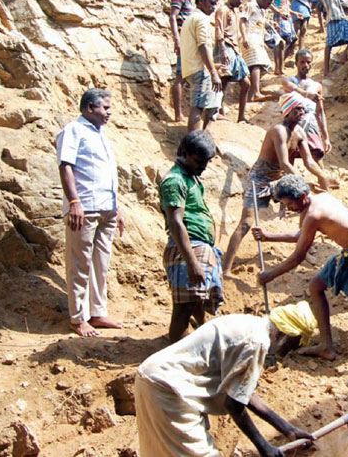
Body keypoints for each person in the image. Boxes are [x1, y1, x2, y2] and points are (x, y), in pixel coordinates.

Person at [135, 305, 316, 457]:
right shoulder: (257, 342)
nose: (286, 353)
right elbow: (234, 404)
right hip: (168, 389)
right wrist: (264, 447)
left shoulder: (249, 324)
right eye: (291, 345)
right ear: (280, 335)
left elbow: (244, 393)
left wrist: (287, 429)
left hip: (150, 377)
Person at [254, 175, 348, 360]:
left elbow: (298, 257)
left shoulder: (314, 214)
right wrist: (268, 237)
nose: (289, 209)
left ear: (303, 198)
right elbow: (301, 234)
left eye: (290, 205)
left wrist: (269, 275)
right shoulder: (320, 197)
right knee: (316, 286)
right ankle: (326, 346)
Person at [222, 97, 338, 276]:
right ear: (288, 111)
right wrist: (302, 183)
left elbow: (308, 161)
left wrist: (324, 176)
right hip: (260, 178)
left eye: (303, 109)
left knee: (304, 207)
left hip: (280, 178)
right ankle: (226, 268)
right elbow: (284, 162)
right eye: (297, 110)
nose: (301, 113)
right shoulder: (279, 131)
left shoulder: (299, 132)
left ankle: (302, 249)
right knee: (246, 223)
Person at [56, 89, 124, 337]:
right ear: (88, 108)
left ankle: (97, 312)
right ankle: (77, 318)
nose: (109, 112)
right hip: (84, 208)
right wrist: (74, 201)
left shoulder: (102, 135)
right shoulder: (73, 130)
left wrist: (117, 207)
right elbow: (66, 167)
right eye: (104, 108)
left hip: (107, 208)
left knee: (100, 263)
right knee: (79, 262)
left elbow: (106, 173)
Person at [159, 131, 222, 343]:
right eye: (198, 161)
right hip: (187, 249)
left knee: (196, 298)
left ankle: (202, 333)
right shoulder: (174, 181)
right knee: (183, 308)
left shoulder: (190, 176)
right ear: (184, 153)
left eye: (207, 161)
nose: (203, 166)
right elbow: (176, 223)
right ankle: (175, 350)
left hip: (198, 246)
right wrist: (192, 262)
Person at [181, 0, 222, 132]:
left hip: (190, 67)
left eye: (215, 5)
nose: (213, 8)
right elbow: (203, 46)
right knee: (197, 108)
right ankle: (193, 147)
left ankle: (199, 139)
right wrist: (213, 72)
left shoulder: (190, 19)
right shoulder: (201, 19)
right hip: (199, 69)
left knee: (199, 104)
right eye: (211, 3)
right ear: (200, 1)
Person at [169, 0, 206, 123]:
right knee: (180, 76)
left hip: (187, 41)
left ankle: (180, 113)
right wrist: (177, 39)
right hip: (183, 41)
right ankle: (178, 114)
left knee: (183, 75)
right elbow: (172, 16)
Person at [282, 49, 331, 159]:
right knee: (290, 154)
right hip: (293, 122)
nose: (306, 65)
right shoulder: (288, 81)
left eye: (308, 62)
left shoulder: (317, 86)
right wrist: (307, 94)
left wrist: (326, 137)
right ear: (296, 64)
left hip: (310, 122)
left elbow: (320, 113)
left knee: (316, 156)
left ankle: (321, 177)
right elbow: (293, 89)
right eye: (302, 62)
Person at [214, 0, 251, 123]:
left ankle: (241, 116)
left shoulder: (234, 11)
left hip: (235, 50)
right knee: (223, 81)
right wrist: (222, 50)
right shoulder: (223, 10)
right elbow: (219, 30)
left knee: (246, 83)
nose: (240, 2)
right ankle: (216, 110)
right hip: (226, 48)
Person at [239, 0, 275, 102]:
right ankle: (256, 93)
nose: (269, 6)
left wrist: (272, 25)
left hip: (258, 40)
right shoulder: (250, 6)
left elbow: (261, 22)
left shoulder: (262, 11)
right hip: (250, 38)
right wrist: (244, 37)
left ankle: (250, 96)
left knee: (261, 66)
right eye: (268, 3)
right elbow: (242, 21)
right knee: (256, 64)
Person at [269, 0, 298, 75]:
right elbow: (270, 3)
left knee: (293, 40)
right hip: (279, 17)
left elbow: (285, 4)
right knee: (281, 41)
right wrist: (279, 12)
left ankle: (280, 64)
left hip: (287, 16)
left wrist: (294, 13)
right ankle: (278, 68)